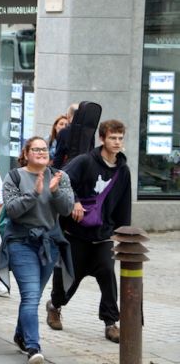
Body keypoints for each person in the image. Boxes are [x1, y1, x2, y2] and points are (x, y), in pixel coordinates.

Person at [47, 120, 131, 344]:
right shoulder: (85, 161)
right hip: (76, 233)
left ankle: (110, 322)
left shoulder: (123, 170)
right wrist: (73, 201)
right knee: (69, 279)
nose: (117, 142)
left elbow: (124, 204)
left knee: (106, 272)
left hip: (102, 235)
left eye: (120, 138)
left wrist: (123, 233)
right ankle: (55, 305)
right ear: (102, 138)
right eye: (113, 137)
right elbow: (62, 179)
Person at [0, 136, 74, 364]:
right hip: (21, 242)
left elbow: (68, 209)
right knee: (30, 296)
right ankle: (33, 346)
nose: (41, 152)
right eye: (36, 149)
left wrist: (56, 191)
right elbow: (11, 210)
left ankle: (21, 334)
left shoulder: (60, 176)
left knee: (34, 296)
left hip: (48, 244)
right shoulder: (14, 177)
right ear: (27, 153)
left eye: (44, 149)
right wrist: (34, 193)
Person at [52, 103, 81, 169]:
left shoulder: (64, 132)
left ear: (67, 116)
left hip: (69, 170)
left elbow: (58, 158)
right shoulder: (88, 132)